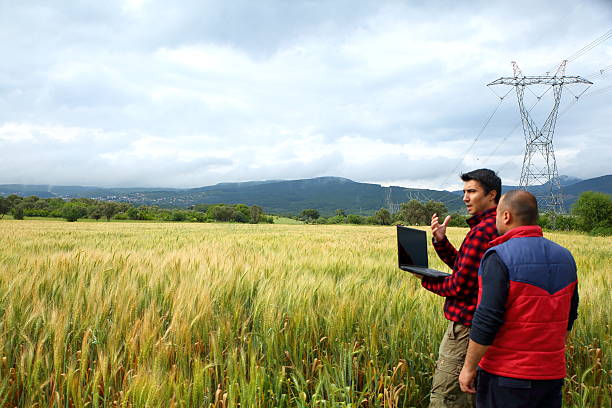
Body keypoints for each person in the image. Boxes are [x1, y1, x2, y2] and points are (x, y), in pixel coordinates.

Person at [459, 190, 579, 408]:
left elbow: (487, 319)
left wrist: (468, 367)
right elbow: (570, 316)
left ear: (506, 216)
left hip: (506, 375)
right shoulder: (565, 257)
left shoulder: (499, 256)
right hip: (551, 376)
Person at [422, 169, 501, 407]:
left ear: (492, 194)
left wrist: (425, 279)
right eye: (464, 191)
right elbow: (464, 267)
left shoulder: (482, 231)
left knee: (447, 396)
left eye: (472, 191)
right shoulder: (495, 226)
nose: (465, 198)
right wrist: (441, 241)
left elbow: (460, 285)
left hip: (467, 328)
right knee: (471, 396)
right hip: (485, 326)